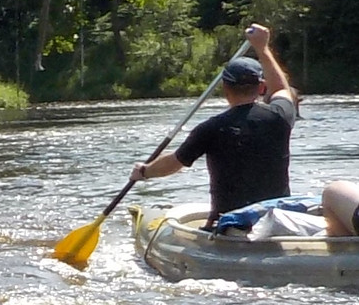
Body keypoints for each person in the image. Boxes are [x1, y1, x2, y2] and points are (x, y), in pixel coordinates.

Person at [130, 25, 306, 222]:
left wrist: (144, 171)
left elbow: (174, 163)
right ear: (261, 88)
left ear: (225, 89)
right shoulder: (281, 116)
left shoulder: (210, 128)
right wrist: (262, 48)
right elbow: (281, 89)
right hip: (276, 220)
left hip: (229, 223)